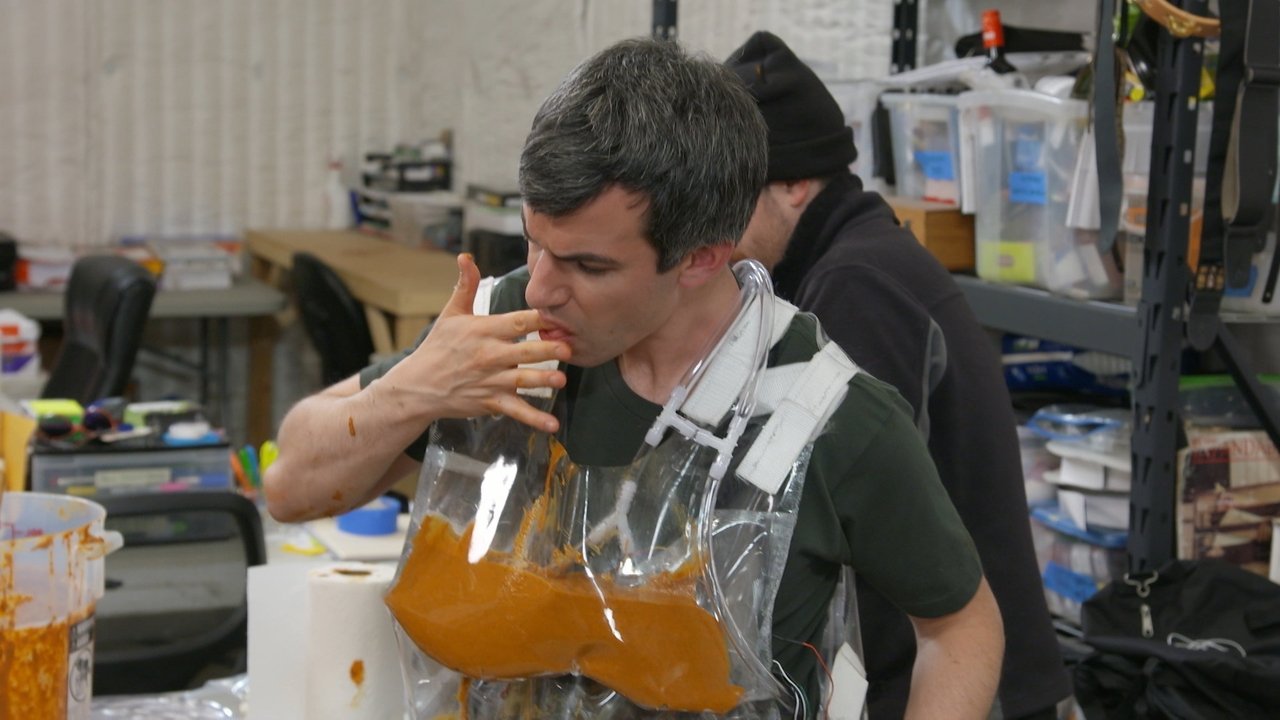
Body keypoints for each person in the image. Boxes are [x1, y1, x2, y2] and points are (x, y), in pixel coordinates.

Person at [265, 36, 1003, 719]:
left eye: (588, 265)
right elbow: (290, 486)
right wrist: (414, 390)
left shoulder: (818, 417)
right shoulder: (502, 333)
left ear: (702, 257)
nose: (541, 288)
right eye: (534, 242)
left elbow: (961, 626)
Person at [725, 31, 1072, 720]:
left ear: (793, 184)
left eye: (725, 195)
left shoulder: (859, 287)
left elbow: (827, 504)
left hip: (967, 685)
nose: (708, 226)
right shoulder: (850, 263)